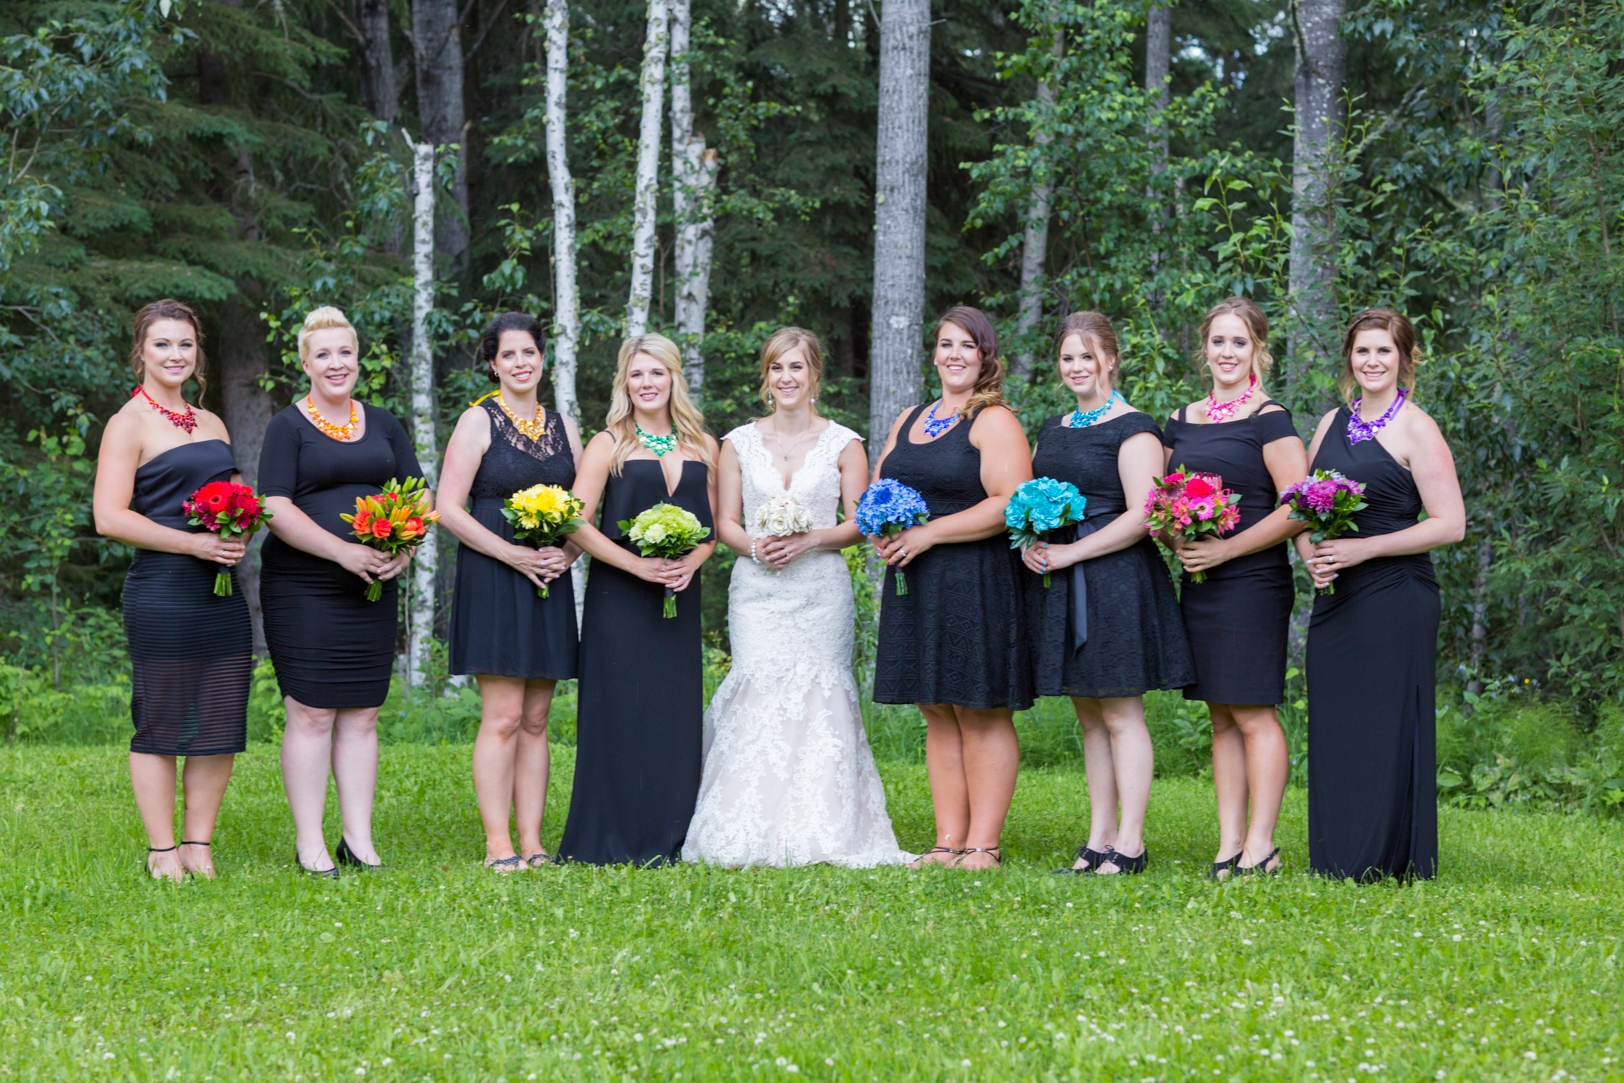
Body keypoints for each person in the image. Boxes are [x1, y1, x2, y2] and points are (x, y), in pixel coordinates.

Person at [683, 328, 908, 868]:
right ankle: (742, 827)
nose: (787, 378)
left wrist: (811, 539)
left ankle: (825, 828)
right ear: (766, 377)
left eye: (797, 368)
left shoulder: (844, 443)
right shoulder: (736, 442)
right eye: (777, 368)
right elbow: (726, 523)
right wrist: (757, 548)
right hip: (757, 592)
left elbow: (860, 521)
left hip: (819, 590)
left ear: (815, 377)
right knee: (757, 687)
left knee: (820, 694)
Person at [1022, 313, 1195, 877]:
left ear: (1111, 360)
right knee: (1089, 716)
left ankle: (1132, 842)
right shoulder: (1054, 427)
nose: (1076, 367)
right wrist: (1032, 539)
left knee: (1121, 713)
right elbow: (1033, 495)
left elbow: (1145, 514)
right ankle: (1097, 838)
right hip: (1062, 579)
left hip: (1116, 579)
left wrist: (1072, 553)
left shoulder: (1135, 428)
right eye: (1067, 357)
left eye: (1087, 356)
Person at [258, 306, 426, 877]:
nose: (336, 363)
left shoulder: (383, 423)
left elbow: (419, 495)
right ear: (306, 363)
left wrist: (402, 548)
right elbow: (274, 507)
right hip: (303, 587)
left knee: (362, 713)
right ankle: (310, 843)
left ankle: (359, 839)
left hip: (370, 592)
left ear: (358, 359)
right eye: (323, 354)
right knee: (310, 713)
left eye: (345, 353)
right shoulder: (288, 426)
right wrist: (343, 551)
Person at [1301, 308, 1463, 880]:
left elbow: (1450, 524)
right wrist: (1313, 559)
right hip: (1337, 595)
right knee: (1339, 721)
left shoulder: (1417, 427)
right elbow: (1301, 508)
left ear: (1405, 359)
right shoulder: (1328, 424)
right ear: (1349, 357)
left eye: (1384, 352)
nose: (1371, 362)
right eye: (1362, 351)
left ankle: (1385, 857)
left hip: (1396, 594)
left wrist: (1362, 550)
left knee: (1384, 724)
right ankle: (1339, 855)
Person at [93, 299, 252, 882]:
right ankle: (162, 851)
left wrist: (239, 527)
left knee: (219, 717)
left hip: (220, 590)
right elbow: (109, 517)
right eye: (163, 344)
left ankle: (198, 844)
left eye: (185, 344)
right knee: (162, 718)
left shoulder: (211, 422)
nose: (175, 355)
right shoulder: (127, 423)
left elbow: (233, 496)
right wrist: (193, 546)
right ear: (141, 351)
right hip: (162, 589)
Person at [871, 306, 1034, 871]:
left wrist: (928, 533)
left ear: (985, 357)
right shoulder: (909, 418)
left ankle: (983, 845)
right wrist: (882, 531)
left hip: (975, 578)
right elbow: (880, 490)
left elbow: (1010, 504)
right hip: (914, 579)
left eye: (968, 345)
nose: (954, 355)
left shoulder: (993, 421)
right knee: (934, 706)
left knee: (979, 706)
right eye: (945, 345)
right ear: (934, 354)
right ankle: (947, 842)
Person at [557, 333, 718, 866]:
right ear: (624, 382)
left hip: (679, 595)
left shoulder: (702, 444)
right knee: (620, 711)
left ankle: (672, 835)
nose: (647, 383)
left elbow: (715, 529)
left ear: (674, 377)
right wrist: (635, 565)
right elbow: (574, 521)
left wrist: (690, 563)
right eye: (637, 374)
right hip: (620, 596)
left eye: (657, 373)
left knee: (673, 714)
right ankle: (609, 836)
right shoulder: (610, 443)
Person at [1161, 297, 1307, 877]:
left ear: (1258, 350)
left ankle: (1263, 844)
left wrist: (1226, 547)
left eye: (1239, 342)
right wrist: (1180, 542)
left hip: (1252, 580)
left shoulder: (1270, 418)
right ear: (1205, 348)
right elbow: (1162, 501)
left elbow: (1300, 505)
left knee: (1253, 714)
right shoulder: (1182, 418)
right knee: (1220, 716)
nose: (1227, 352)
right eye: (1219, 341)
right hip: (1199, 580)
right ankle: (1229, 843)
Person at [438, 312, 583, 871]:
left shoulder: (565, 426)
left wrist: (565, 554)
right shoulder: (478, 421)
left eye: (529, 353)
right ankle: (498, 842)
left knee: (537, 717)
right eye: (508, 355)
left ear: (542, 359)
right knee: (501, 715)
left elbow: (581, 508)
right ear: (493, 363)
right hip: (495, 573)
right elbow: (447, 508)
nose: (520, 363)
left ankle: (533, 840)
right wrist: (511, 554)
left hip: (548, 575)